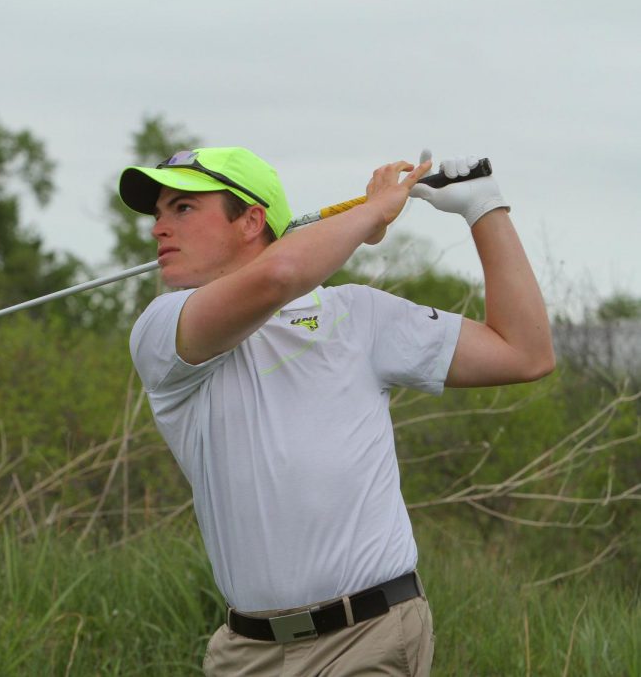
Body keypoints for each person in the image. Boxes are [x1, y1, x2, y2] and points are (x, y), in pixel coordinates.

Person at [118, 147, 555, 676]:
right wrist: (372, 211)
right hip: (246, 653)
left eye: (182, 208)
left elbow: (525, 351)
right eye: (158, 213)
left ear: (251, 220)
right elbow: (278, 275)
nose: (158, 229)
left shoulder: (357, 315)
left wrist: (484, 209)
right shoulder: (162, 329)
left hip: (371, 635)